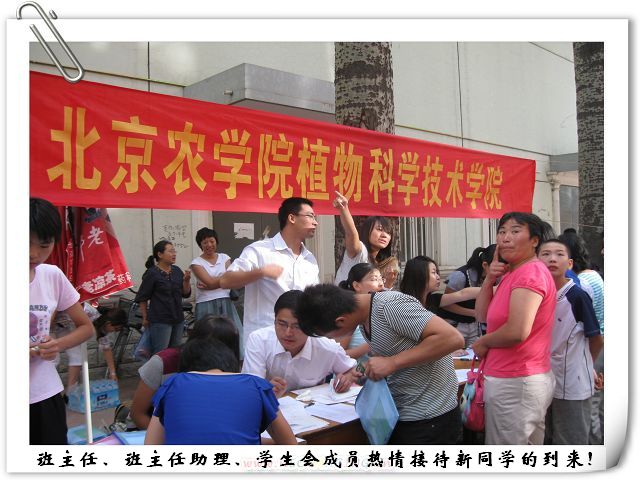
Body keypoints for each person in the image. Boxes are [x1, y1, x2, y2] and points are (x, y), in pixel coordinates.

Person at [296, 284, 464, 444]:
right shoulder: (364, 317)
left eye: (330, 336)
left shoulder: (391, 306)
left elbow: (452, 338)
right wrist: (358, 370)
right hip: (401, 413)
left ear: (340, 321)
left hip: (430, 417)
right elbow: (385, 351)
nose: (334, 339)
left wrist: (393, 363)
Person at [471, 212, 557, 445]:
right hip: (516, 379)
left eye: (515, 231)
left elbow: (517, 331)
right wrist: (489, 280)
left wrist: (483, 342)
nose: (506, 238)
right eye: (502, 232)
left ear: (534, 240)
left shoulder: (530, 273)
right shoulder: (513, 272)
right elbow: (482, 316)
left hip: (516, 381)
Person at [144, 337, 297, 445]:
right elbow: (290, 445)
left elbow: (151, 446)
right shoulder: (257, 385)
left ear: (185, 368)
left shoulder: (172, 384)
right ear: (230, 362)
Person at [29, 197, 95, 444]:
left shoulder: (52, 276)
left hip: (44, 394)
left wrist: (56, 345)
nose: (33, 254)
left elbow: (86, 327)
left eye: (44, 245)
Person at [220, 197, 320, 345]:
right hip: (265, 341)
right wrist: (260, 272)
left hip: (300, 341)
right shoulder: (259, 250)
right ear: (292, 218)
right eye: (310, 216)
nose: (315, 222)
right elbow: (225, 281)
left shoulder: (309, 259)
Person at [538, 239, 603, 444]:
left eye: (559, 254)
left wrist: (587, 366)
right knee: (546, 438)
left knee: (571, 442)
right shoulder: (536, 295)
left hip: (573, 383)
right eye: (546, 254)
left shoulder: (577, 295)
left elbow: (596, 339)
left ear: (570, 263)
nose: (552, 259)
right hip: (543, 381)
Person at [130, 315, 239, 430]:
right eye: (210, 348)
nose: (216, 355)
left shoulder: (230, 371)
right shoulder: (163, 363)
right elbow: (138, 414)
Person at [242, 290, 359, 397]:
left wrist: (347, 378)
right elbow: (251, 388)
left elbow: (354, 370)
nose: (288, 333)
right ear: (274, 320)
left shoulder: (327, 348)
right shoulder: (259, 340)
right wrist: (266, 390)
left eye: (297, 326)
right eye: (282, 324)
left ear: (311, 326)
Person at [558, 231, 605, 445]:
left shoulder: (580, 284)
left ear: (570, 258)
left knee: (591, 405)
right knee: (598, 404)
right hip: (599, 342)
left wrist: (588, 364)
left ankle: (594, 448)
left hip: (592, 346)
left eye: (559, 253)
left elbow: (586, 325)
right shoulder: (593, 275)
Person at [190, 227, 243, 358]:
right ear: (200, 245)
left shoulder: (225, 258)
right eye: (205, 242)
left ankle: (233, 361)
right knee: (207, 336)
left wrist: (210, 285)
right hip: (205, 304)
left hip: (225, 301)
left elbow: (224, 281)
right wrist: (222, 280)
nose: (209, 245)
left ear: (216, 241)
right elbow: (216, 281)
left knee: (232, 333)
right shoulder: (196, 263)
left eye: (212, 241)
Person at [135, 240, 192, 355]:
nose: (174, 254)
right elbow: (142, 297)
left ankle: (172, 368)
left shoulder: (177, 270)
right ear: (160, 254)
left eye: (174, 251)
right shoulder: (152, 273)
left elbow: (186, 293)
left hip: (178, 318)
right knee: (161, 353)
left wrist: (186, 281)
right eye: (170, 251)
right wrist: (145, 318)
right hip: (160, 320)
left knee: (175, 352)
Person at [439, 245, 497, 347]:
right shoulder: (461, 276)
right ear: (485, 265)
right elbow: (446, 304)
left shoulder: (497, 277)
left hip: (475, 326)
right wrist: (474, 313)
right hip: (455, 325)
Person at [332, 191, 394, 285]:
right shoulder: (360, 251)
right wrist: (344, 209)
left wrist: (389, 282)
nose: (384, 235)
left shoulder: (381, 263)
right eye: (379, 229)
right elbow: (351, 234)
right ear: (367, 231)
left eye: (388, 232)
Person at [52, 302, 102, 398]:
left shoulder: (89, 309)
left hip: (64, 325)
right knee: (52, 359)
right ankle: (50, 394)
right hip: (46, 326)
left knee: (78, 357)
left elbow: (87, 327)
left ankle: (70, 394)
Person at [337, 263, 385, 362]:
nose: (381, 284)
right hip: (355, 371)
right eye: (374, 279)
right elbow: (337, 355)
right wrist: (369, 346)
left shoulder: (382, 310)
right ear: (357, 286)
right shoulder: (349, 315)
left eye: (381, 279)